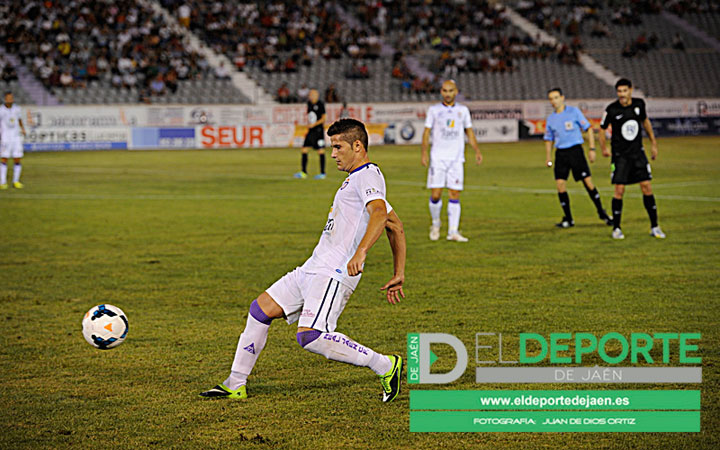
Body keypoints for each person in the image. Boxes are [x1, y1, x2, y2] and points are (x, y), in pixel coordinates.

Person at [200, 118, 406, 403]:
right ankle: (235, 382)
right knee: (260, 310)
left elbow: (380, 214)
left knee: (310, 336)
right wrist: (399, 271)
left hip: (333, 272)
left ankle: (385, 365)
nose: (332, 154)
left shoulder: (369, 175)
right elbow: (395, 225)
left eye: (338, 147)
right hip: (312, 267)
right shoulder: (356, 180)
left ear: (357, 146)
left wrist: (361, 252)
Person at [599, 78, 665, 239]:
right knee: (619, 190)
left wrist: (653, 143)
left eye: (624, 91)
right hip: (620, 156)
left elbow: (645, 121)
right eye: (619, 91)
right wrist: (603, 148)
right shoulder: (611, 109)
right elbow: (601, 129)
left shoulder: (639, 104)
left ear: (630, 90)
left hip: (638, 154)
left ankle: (655, 227)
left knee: (646, 187)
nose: (621, 94)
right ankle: (616, 228)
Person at [421, 80, 482, 242]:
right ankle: (435, 223)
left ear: (456, 92)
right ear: (441, 92)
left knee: (454, 193)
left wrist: (476, 150)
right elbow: (427, 132)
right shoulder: (434, 110)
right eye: (445, 90)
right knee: (436, 194)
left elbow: (469, 132)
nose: (448, 93)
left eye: (451, 90)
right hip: (438, 158)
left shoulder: (463, 110)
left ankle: (453, 231)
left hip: (456, 158)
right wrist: (424, 153)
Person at [544, 88, 612, 228]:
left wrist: (592, 149)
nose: (554, 101)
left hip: (576, 152)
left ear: (562, 98)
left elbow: (588, 128)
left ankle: (602, 212)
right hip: (561, 153)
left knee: (587, 182)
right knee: (560, 185)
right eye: (551, 98)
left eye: (556, 97)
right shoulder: (551, 118)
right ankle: (568, 219)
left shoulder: (574, 112)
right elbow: (548, 139)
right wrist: (548, 157)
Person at [294, 89, 327, 180]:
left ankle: (322, 173)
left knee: (320, 151)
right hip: (311, 131)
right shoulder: (309, 104)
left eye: (312, 94)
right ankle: (304, 172)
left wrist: (314, 124)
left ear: (317, 95)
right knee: (304, 150)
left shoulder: (320, 104)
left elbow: (323, 119)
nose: (311, 96)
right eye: (310, 94)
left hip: (318, 131)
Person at [0, 92, 27, 189]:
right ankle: (2, 182)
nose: (10, 99)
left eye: (11, 98)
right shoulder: (1, 110)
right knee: (4, 158)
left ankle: (16, 181)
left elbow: (19, 119)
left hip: (16, 137)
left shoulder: (17, 108)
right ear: (5, 99)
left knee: (17, 158)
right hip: (5, 138)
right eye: (8, 98)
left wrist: (22, 129)